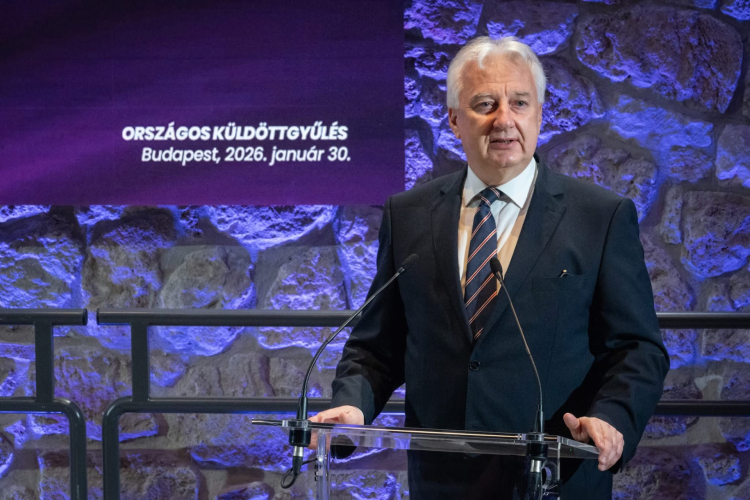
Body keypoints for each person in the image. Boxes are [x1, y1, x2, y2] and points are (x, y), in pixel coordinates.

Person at [311, 36, 670, 499]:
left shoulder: (600, 217)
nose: (504, 120)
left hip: (555, 479)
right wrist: (353, 407)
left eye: (519, 102)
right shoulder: (409, 215)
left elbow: (637, 349)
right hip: (442, 483)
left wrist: (611, 418)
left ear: (539, 113)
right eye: (485, 104)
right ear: (454, 120)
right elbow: (377, 345)